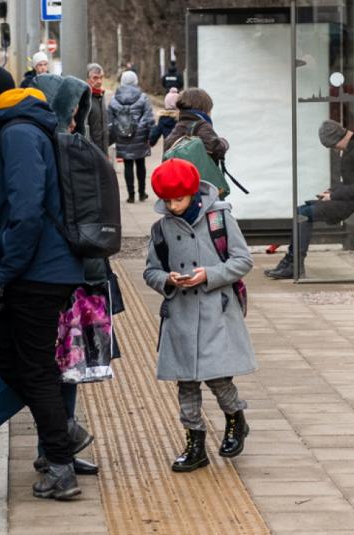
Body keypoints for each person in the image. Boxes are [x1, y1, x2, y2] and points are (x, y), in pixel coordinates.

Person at [0, 73, 100, 478]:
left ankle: (58, 461)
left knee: (37, 369)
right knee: (3, 348)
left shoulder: (17, 134)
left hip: (38, 272)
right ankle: (57, 433)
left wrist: (5, 271)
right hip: (46, 269)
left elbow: (25, 212)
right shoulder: (22, 128)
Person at [143, 158, 256, 473]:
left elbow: (243, 260)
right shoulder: (161, 228)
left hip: (214, 310)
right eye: (167, 200)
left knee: (218, 376)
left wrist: (209, 274)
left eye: (178, 198)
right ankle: (195, 442)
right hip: (179, 313)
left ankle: (236, 419)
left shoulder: (219, 217)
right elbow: (151, 270)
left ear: (192, 193)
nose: (173, 205)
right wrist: (167, 280)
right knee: (186, 382)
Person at [265, 120, 354, 279]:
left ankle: (294, 265)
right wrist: (332, 191)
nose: (335, 150)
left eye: (333, 146)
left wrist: (334, 196)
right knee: (300, 211)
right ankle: (291, 262)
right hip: (351, 200)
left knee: (305, 215)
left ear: (338, 138)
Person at [108, 70, 154, 203]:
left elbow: (110, 118)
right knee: (141, 163)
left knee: (127, 164)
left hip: (122, 135)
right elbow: (148, 117)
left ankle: (131, 195)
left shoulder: (114, 98)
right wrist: (147, 132)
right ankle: (142, 192)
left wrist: (113, 134)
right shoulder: (143, 97)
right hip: (140, 136)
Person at [163, 87, 228, 163]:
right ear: (205, 110)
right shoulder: (201, 125)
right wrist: (224, 142)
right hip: (199, 174)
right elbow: (216, 148)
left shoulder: (178, 127)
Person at [86, 63, 109, 154]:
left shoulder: (101, 96)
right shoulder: (85, 99)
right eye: (95, 78)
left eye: (101, 77)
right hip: (92, 153)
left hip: (102, 151)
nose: (99, 81)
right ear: (87, 79)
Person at [149, 87, 180, 156]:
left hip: (167, 151)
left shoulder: (163, 119)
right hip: (182, 151)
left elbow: (156, 133)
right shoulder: (182, 118)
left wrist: (151, 142)